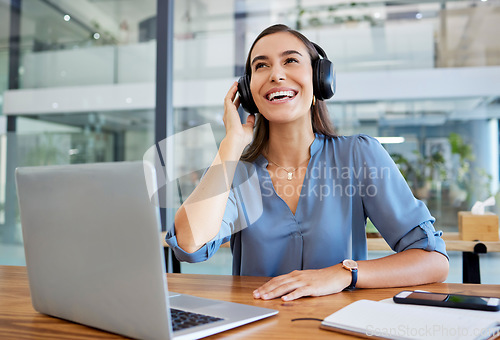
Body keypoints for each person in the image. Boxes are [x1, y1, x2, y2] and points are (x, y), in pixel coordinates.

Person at [166, 24, 449, 302]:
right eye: (261, 66)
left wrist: (343, 274)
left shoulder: (358, 155)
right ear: (249, 93)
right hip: (255, 329)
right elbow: (190, 245)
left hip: (338, 327)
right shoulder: (236, 174)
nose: (276, 74)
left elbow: (433, 261)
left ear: (318, 81)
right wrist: (230, 145)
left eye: (290, 60)